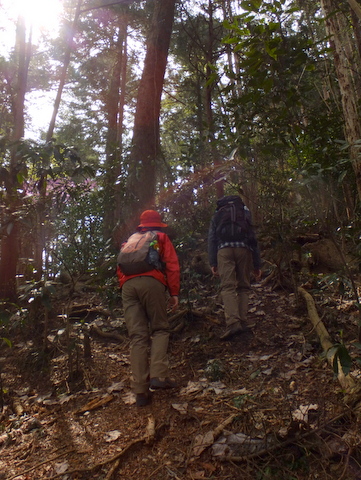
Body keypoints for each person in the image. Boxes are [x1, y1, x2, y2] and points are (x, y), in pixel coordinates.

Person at [117, 210, 180, 407]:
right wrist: (174, 292)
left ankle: (140, 391)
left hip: (128, 287)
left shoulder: (130, 240)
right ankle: (159, 376)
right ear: (158, 224)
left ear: (142, 225)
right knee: (160, 328)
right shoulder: (161, 237)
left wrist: (126, 285)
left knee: (137, 336)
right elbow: (172, 265)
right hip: (152, 282)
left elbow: (120, 268)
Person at [208, 195, 261, 340]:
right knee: (243, 286)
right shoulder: (244, 211)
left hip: (223, 250)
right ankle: (243, 321)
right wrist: (257, 264)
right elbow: (252, 236)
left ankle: (233, 323)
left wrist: (213, 262)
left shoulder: (218, 214)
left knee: (228, 287)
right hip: (244, 249)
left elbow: (212, 238)